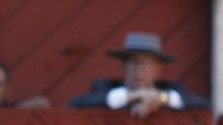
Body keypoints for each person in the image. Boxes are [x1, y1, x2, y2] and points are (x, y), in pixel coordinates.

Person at [68, 32, 210, 117]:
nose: (139, 69)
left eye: (147, 64)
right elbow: (75, 103)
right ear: (123, 67)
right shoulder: (103, 87)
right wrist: (131, 96)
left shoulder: (172, 89)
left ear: (157, 70)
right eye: (134, 62)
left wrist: (160, 99)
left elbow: (205, 105)